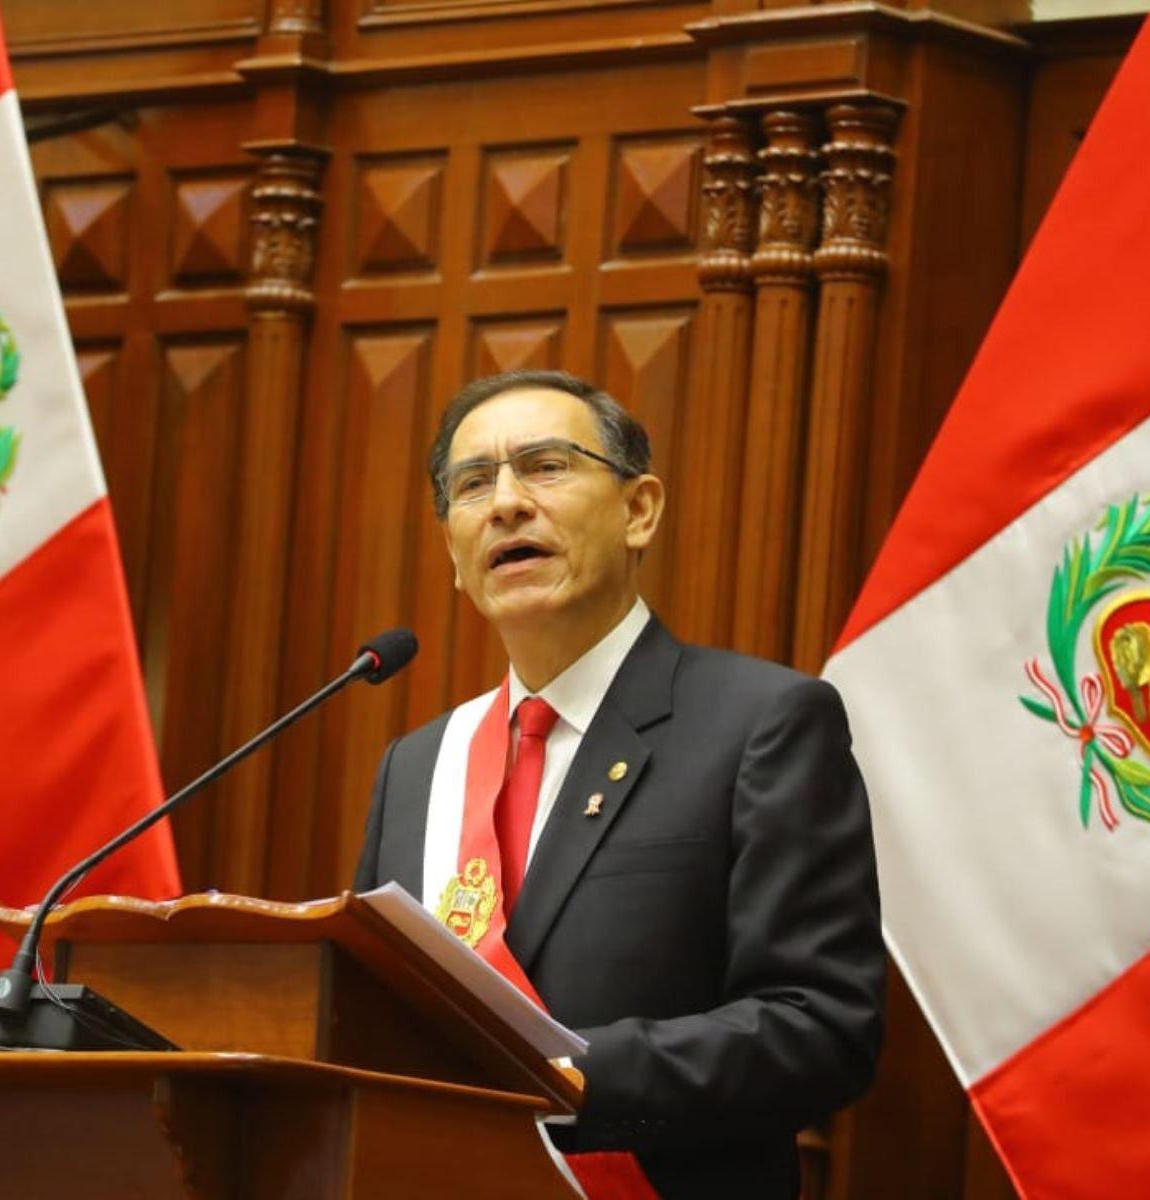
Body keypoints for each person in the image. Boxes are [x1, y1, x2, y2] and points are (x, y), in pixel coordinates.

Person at [354, 369, 885, 1199]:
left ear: (639, 511)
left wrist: (564, 1078)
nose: (505, 503)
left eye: (546, 466)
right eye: (472, 484)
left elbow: (822, 1029)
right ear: (454, 554)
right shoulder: (420, 765)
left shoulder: (763, 724)